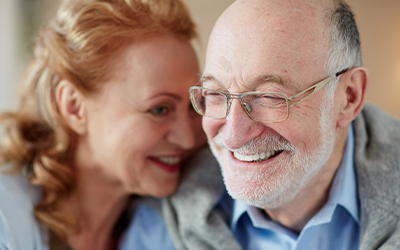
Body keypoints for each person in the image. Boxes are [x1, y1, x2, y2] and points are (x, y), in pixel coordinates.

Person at [150, 0, 400, 249]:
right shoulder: (158, 226)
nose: (233, 137)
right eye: (215, 94)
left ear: (349, 97)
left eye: (269, 97)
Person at [0, 0, 207, 249]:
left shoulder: (179, 219)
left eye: (194, 106)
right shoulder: (7, 219)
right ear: (74, 107)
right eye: (159, 109)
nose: (188, 139)